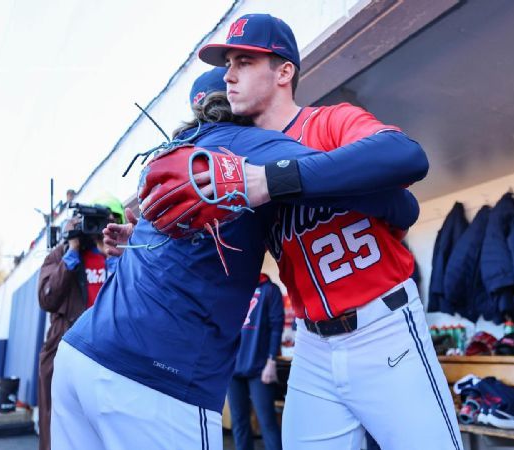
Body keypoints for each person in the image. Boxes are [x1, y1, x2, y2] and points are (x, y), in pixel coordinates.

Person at [52, 69, 422, 449]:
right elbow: (393, 198)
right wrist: (400, 211)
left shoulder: (175, 153)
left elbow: (185, 247)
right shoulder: (250, 143)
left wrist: (145, 236)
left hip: (80, 355)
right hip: (155, 377)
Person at [197, 14, 462, 449]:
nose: (228, 75)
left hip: (383, 327)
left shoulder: (328, 122)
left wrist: (277, 180)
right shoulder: (238, 159)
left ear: (284, 72)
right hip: (313, 346)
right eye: (228, 63)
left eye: (243, 61)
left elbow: (407, 155)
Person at [36, 198, 124, 450]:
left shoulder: (120, 252)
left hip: (109, 351)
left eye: (105, 221)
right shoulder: (62, 253)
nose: (97, 227)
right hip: (66, 347)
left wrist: (113, 255)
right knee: (61, 425)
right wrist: (71, 254)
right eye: (93, 222)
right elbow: (47, 298)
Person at [228, 273, 284, 450]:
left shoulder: (270, 290)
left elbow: (277, 327)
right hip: (232, 369)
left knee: (267, 422)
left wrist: (271, 362)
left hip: (260, 369)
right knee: (239, 422)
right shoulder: (234, 288)